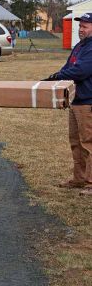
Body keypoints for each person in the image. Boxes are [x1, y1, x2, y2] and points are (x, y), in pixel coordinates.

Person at [43, 13, 92, 196]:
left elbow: (81, 71)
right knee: (76, 142)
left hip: (88, 102)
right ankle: (79, 178)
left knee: (89, 142)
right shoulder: (80, 46)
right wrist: (55, 76)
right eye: (80, 25)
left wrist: (59, 76)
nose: (81, 29)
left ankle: (90, 182)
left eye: (86, 26)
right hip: (75, 100)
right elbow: (67, 67)